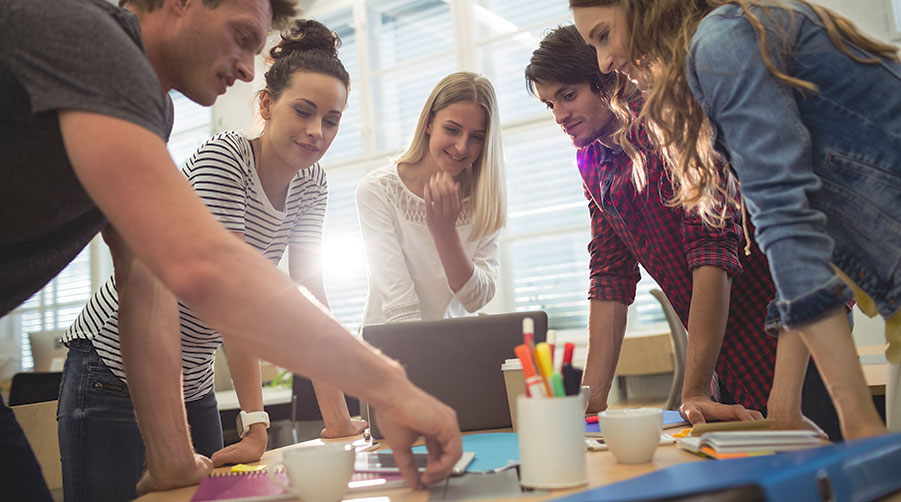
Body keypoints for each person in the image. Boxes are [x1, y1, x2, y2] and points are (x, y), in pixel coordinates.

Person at [0, 0, 461, 499]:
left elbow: (145, 272)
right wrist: (391, 387)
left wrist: (172, 453)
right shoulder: (98, 46)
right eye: (240, 36)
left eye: (255, 48)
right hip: (107, 370)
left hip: (188, 378)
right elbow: (208, 272)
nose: (245, 67)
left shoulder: (153, 110)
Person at [57, 19, 369, 502]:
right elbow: (231, 296)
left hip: (192, 381)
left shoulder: (313, 185)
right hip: (111, 371)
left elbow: (313, 295)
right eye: (304, 111)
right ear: (265, 104)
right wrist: (257, 420)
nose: (316, 131)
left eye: (331, 120)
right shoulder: (226, 160)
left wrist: (338, 419)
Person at [570, 0, 900, 439]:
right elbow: (813, 243)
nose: (604, 62)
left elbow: (791, 228)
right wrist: (784, 402)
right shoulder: (714, 59)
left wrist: (856, 421)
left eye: (604, 36)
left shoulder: (721, 45)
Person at [524, 24, 839, 438]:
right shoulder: (592, 162)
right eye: (550, 104)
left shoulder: (670, 125)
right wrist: (592, 404)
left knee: (828, 474)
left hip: (790, 335)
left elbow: (712, 253)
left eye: (569, 95)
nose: (561, 115)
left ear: (607, 78)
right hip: (723, 355)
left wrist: (692, 388)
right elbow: (609, 276)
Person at [356, 72, 506, 326]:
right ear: (428, 123)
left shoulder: (484, 201)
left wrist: (445, 233)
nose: (461, 146)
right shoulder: (378, 190)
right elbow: (399, 305)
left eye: (476, 137)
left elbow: (476, 300)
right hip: (388, 348)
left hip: (447, 349)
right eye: (452, 129)